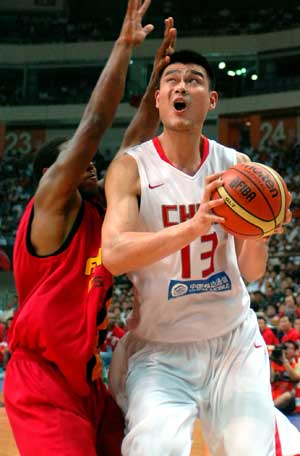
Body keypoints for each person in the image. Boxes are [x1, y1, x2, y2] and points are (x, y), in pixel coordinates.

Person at [102, 50, 300, 455]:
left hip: (232, 343)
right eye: (172, 79)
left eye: (194, 80)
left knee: (249, 450)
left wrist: (262, 234)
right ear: (158, 99)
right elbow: (114, 253)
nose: (181, 85)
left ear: (211, 100)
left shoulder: (237, 167)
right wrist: (193, 226)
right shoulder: (131, 168)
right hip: (161, 349)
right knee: (153, 447)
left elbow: (252, 272)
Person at [3, 3, 176, 455]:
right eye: (76, 158)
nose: (91, 162)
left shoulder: (104, 213)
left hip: (88, 381)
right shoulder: (51, 207)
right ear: (54, 172)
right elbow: (95, 125)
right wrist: (123, 48)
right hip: (42, 381)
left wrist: (158, 87)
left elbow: (133, 147)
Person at [271, 340, 300, 414]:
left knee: (288, 395)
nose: (286, 350)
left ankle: (268, 410)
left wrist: (284, 361)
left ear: (296, 351)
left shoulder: (297, 364)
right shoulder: (275, 363)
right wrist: (269, 360)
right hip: (274, 396)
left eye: (289, 348)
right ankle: (270, 408)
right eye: (285, 348)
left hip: (289, 400)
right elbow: (271, 379)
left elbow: (295, 378)